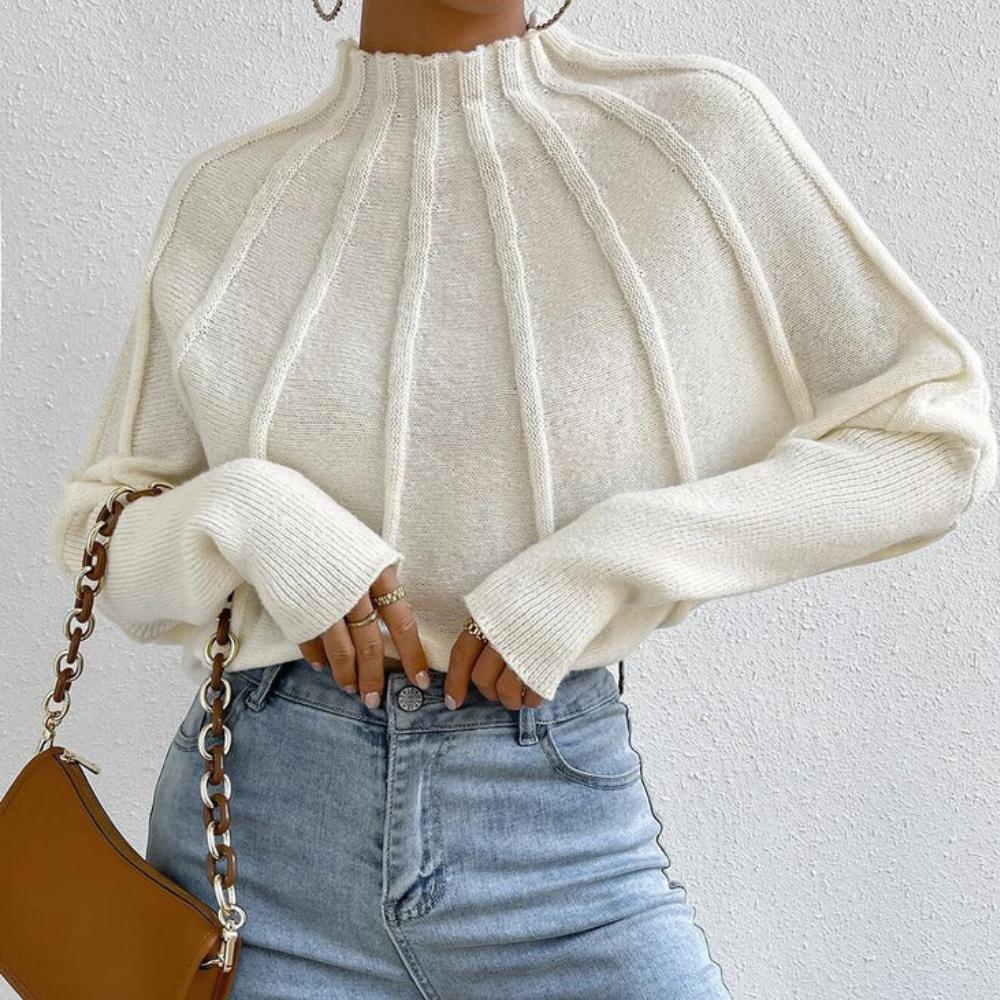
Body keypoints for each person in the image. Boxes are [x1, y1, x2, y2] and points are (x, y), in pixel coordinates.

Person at [46, 1, 997, 997]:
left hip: (559, 843)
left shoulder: (692, 134)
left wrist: (612, 556)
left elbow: (932, 440)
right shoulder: (231, 198)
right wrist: (247, 513)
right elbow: (97, 535)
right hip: (258, 849)